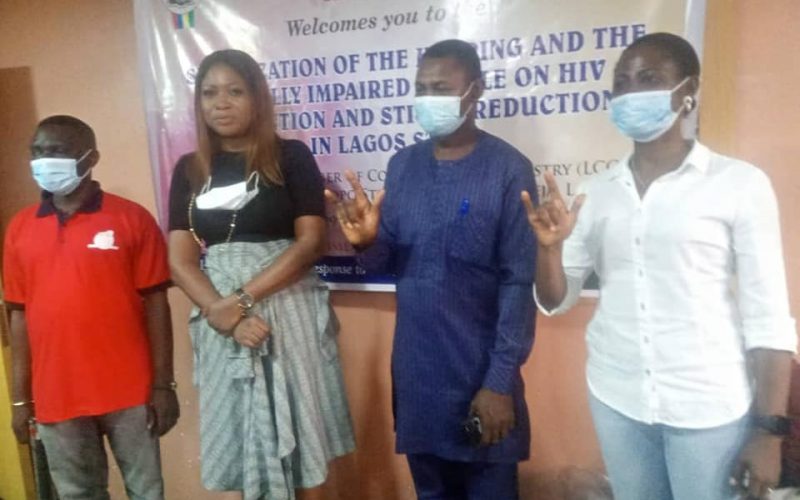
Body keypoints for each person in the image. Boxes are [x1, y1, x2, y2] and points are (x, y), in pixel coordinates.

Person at [524, 32, 797, 500]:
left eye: (648, 79)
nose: (631, 92)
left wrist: (769, 431)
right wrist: (549, 251)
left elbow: (768, 315)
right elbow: (556, 299)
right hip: (617, 396)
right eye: (622, 82)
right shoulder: (596, 191)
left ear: (688, 90)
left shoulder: (739, 184)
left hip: (708, 406)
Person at [326, 39, 537, 499]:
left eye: (441, 88)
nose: (428, 99)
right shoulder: (403, 166)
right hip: (419, 381)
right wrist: (366, 243)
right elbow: (389, 264)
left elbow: (519, 282)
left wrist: (499, 383)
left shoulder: (509, 170)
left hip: (483, 381)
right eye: (421, 88)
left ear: (476, 90)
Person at [167, 49, 354, 500]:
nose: (221, 103)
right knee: (241, 439)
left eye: (235, 91)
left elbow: (310, 242)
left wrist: (242, 300)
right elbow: (180, 260)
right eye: (209, 93)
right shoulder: (189, 169)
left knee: (296, 443)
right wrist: (223, 314)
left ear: (257, 97)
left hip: (286, 310)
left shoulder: (290, 157)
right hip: (219, 320)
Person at [4, 115, 179, 500]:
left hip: (131, 390)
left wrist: (163, 384)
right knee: (78, 494)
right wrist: (20, 400)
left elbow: (157, 305)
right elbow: (18, 316)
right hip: (57, 394)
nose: (45, 160)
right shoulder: (19, 228)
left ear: (91, 157)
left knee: (147, 492)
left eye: (58, 150)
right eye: (37, 151)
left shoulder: (132, 218)